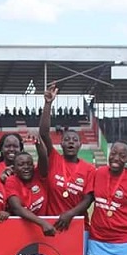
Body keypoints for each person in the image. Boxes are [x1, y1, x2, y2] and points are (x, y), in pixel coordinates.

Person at [38, 83, 96, 233]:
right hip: (52, 224)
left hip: (77, 226)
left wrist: (70, 214)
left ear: (80, 145)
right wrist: (48, 104)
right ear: (61, 143)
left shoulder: (89, 169)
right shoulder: (54, 158)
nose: (71, 141)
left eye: (75, 140)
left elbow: (88, 199)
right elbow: (44, 134)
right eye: (67, 139)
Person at [5, 150, 54, 236]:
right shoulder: (11, 181)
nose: (26, 167)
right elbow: (17, 209)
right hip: (19, 231)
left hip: (43, 232)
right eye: (21, 164)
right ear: (14, 169)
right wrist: (42, 223)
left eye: (29, 164)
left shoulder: (38, 176)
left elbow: (43, 156)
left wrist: (38, 141)